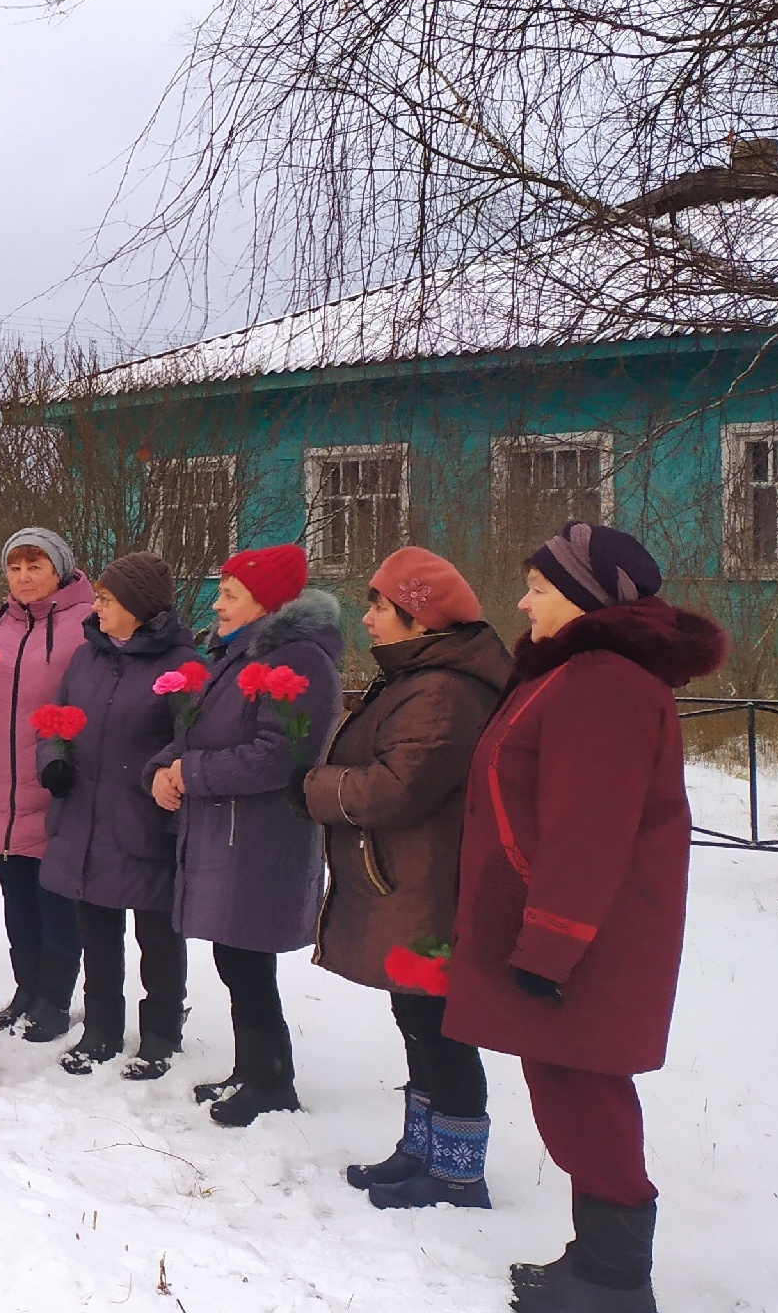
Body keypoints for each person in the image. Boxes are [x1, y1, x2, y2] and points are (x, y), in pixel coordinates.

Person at [445, 523, 723, 1312]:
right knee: (567, 1095)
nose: (522, 600)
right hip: (564, 931)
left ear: (584, 597)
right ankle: (595, 1261)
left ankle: (614, 1280)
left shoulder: (602, 681)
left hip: (585, 939)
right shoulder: (570, 674)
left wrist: (549, 947)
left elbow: (589, 830)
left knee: (588, 1099)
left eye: (538, 586)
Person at [301, 548, 512, 1210]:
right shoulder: (416, 677)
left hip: (430, 889)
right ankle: (420, 1148)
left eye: (379, 607)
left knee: (439, 1025)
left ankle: (456, 1173)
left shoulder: (444, 690)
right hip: (409, 882)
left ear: (419, 618)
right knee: (416, 1018)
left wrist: (313, 789)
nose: (366, 619)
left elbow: (398, 788)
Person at [148, 543, 341, 1127]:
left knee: (248, 960)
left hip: (261, 840)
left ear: (268, 601)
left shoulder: (297, 661)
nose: (218, 602)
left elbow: (281, 754)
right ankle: (251, 1070)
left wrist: (192, 774)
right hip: (226, 833)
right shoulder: (231, 656)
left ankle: (270, 1083)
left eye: (231, 593)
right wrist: (164, 769)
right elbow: (193, 733)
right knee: (237, 959)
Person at [37, 551, 199, 1078]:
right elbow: (55, 721)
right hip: (84, 819)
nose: (98, 606)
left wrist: (162, 777)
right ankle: (102, 1027)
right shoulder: (88, 657)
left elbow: (190, 739)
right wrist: (54, 761)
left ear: (137, 605)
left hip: (144, 820)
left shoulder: (181, 665)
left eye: (107, 599)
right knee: (97, 932)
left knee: (157, 937)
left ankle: (161, 1033)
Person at [0, 527, 95, 1039]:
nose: (24, 577)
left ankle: (55, 1000)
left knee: (55, 900)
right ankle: (27, 990)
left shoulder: (88, 623)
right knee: (16, 898)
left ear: (59, 568)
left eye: (35, 566)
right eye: (15, 567)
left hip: (55, 786)